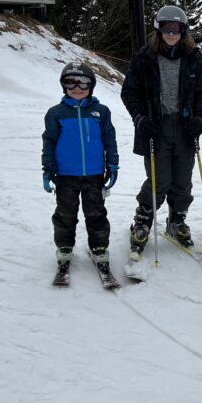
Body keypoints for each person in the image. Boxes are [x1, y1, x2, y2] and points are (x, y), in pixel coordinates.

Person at [121, 4, 202, 251]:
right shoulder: (145, 58)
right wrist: (140, 118)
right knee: (159, 179)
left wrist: (199, 119)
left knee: (182, 180)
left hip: (184, 128)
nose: (171, 33)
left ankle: (176, 220)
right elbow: (129, 93)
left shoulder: (193, 59)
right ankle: (142, 221)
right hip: (156, 127)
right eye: (166, 28)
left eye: (177, 28)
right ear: (158, 30)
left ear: (184, 31)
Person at [42, 62, 119, 277]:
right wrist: (47, 170)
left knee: (96, 214)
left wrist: (113, 164)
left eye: (83, 82)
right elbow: (49, 141)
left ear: (91, 85)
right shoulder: (56, 113)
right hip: (65, 175)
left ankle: (99, 247)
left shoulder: (100, 112)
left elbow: (109, 139)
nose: (77, 87)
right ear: (63, 85)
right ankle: (65, 247)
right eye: (70, 82)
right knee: (65, 214)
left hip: (94, 175)